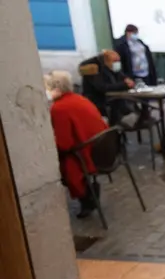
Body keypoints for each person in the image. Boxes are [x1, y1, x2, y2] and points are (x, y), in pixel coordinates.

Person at [45, 71, 107, 218]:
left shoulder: (59, 108)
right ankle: (89, 193)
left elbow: (63, 144)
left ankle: (87, 196)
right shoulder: (80, 99)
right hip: (104, 149)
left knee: (62, 163)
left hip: (87, 154)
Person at [79, 50, 140, 127]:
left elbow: (121, 75)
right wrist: (124, 85)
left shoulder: (110, 66)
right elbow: (102, 87)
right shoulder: (92, 68)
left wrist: (127, 80)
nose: (117, 63)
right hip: (97, 102)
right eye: (115, 61)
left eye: (118, 61)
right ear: (106, 61)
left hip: (111, 100)